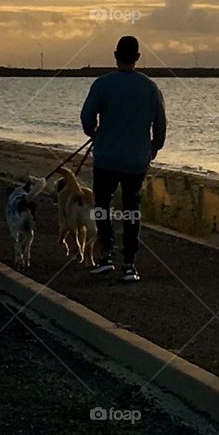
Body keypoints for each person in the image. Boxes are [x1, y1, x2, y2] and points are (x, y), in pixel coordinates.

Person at [80, 36, 166, 283]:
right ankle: (129, 264)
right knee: (131, 210)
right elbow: (160, 126)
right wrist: (153, 149)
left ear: (115, 54)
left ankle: (105, 256)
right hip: (136, 160)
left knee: (102, 205)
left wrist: (94, 133)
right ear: (137, 57)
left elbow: (87, 118)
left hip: (106, 157)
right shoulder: (150, 88)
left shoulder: (102, 85)